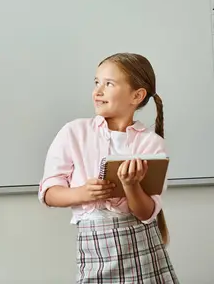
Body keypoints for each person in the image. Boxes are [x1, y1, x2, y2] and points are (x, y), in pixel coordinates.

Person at [38, 53, 178, 283]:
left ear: (137, 95)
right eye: (96, 82)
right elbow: (49, 193)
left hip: (143, 245)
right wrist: (81, 193)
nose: (97, 91)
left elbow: (145, 213)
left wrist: (131, 186)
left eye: (109, 84)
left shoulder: (152, 144)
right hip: (95, 248)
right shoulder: (74, 132)